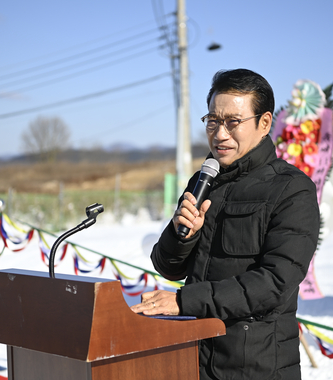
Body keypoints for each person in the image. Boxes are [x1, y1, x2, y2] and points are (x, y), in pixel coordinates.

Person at [130, 69, 320, 380]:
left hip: (254, 366)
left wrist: (183, 301)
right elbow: (167, 266)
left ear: (265, 123)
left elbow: (274, 283)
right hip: (193, 356)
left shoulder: (291, 189)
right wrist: (183, 237)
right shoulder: (203, 180)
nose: (220, 134)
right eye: (213, 121)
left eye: (233, 122)